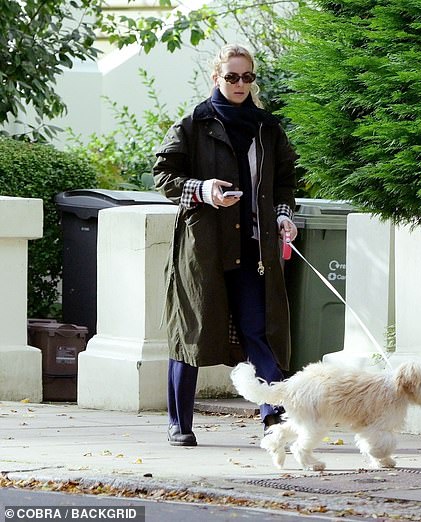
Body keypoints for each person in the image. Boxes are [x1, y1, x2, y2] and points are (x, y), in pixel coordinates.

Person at [153, 43, 297, 446]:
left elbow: (285, 179)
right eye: (232, 76)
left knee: (259, 330)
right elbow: (164, 176)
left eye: (247, 77)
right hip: (204, 249)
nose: (239, 84)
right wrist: (203, 190)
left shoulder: (268, 127)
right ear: (216, 77)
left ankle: (276, 415)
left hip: (254, 248)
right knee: (193, 331)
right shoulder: (194, 123)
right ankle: (179, 422)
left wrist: (283, 213)